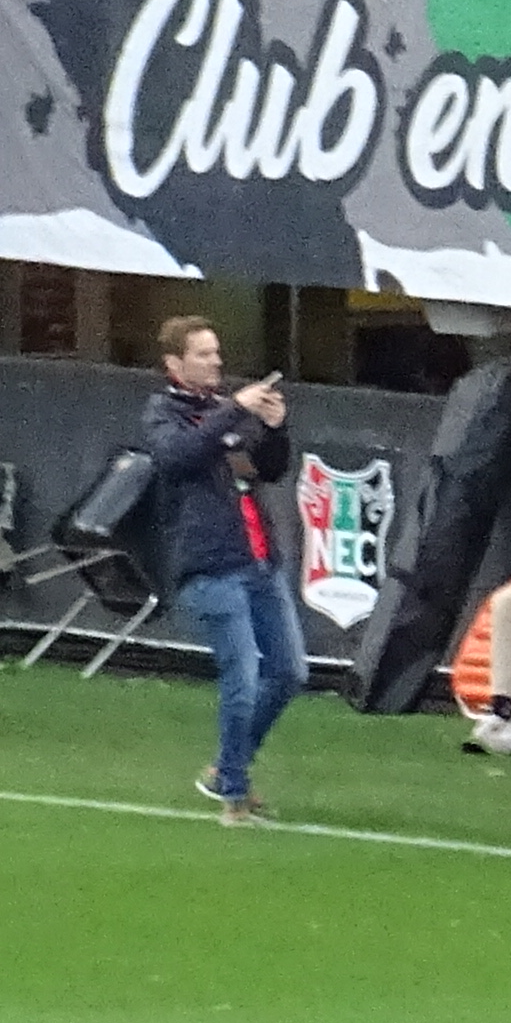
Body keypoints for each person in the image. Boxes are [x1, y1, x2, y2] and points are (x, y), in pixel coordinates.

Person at [143, 315, 302, 825]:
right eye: (203, 355)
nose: (216, 362)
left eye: (216, 353)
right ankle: (233, 792)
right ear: (174, 363)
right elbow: (177, 456)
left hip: (258, 558)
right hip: (210, 563)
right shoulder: (161, 412)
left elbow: (271, 469)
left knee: (289, 671)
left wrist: (275, 429)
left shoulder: (222, 410)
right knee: (243, 676)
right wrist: (234, 410)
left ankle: (227, 768)